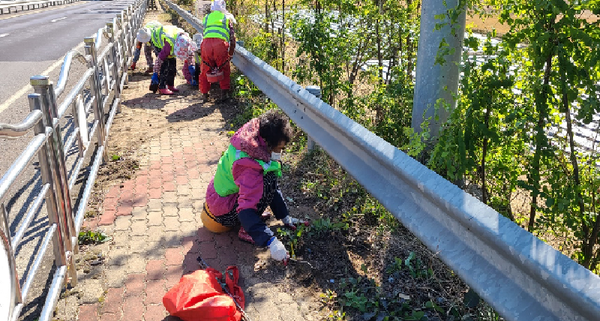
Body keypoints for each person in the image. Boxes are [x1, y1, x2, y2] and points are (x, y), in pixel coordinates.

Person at [202, 110, 307, 262]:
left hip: (219, 196)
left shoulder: (251, 139)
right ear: (268, 143)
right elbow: (245, 209)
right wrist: (271, 241)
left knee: (267, 179)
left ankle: (254, 221)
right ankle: (247, 230)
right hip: (221, 212)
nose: (280, 153)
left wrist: (285, 216)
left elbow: (270, 189)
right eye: (279, 148)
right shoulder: (249, 166)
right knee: (267, 180)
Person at [199, 0, 237, 101]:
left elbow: (205, 32)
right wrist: (230, 54)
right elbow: (232, 38)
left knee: (205, 68)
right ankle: (224, 95)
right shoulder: (226, 18)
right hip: (220, 45)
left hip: (206, 44)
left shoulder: (206, 18)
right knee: (224, 68)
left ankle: (204, 94)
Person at [149, 25, 197, 95]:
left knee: (172, 65)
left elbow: (189, 54)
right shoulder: (168, 46)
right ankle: (162, 87)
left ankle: (170, 85)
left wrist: (191, 66)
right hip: (158, 40)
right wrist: (155, 73)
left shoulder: (186, 42)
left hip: (170, 38)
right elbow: (158, 60)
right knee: (164, 65)